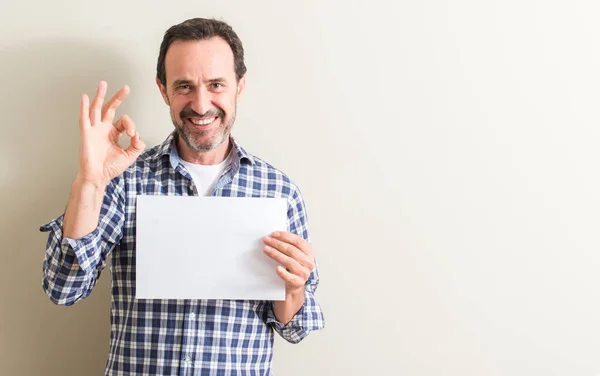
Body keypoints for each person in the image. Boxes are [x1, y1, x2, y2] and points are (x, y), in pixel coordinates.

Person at [39, 17, 325, 375]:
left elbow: (295, 329)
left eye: (216, 84)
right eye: (185, 86)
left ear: (240, 86)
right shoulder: (126, 179)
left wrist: (294, 287)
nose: (201, 105)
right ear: (163, 90)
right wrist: (90, 180)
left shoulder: (279, 192)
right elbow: (63, 289)